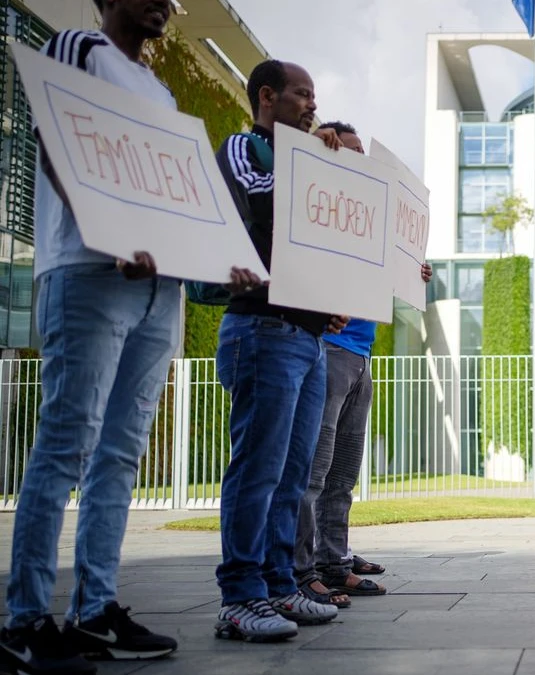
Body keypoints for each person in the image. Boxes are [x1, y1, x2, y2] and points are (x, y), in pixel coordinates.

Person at [0, 2, 258, 673]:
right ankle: (23, 617)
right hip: (89, 270)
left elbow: (176, 191)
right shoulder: (77, 48)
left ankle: (95, 608)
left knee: (119, 454)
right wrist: (107, 225)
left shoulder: (163, 91)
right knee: (66, 442)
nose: (164, 5)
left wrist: (211, 254)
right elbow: (55, 137)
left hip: (158, 285)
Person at [212, 59, 350, 643]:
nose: (311, 106)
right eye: (301, 95)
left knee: (292, 475)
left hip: (308, 337)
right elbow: (266, 208)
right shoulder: (247, 148)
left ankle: (276, 587)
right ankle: (240, 596)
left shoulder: (304, 158)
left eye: (314, 96)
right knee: (259, 468)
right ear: (268, 97)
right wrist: (309, 158)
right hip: (262, 330)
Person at [292, 121, 432, 608]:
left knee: (343, 472)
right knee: (316, 468)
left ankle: (334, 560)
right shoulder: (321, 205)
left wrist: (412, 271)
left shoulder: (368, 217)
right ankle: (302, 569)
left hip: (360, 355)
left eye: (360, 152)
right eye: (346, 150)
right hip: (328, 351)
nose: (357, 159)